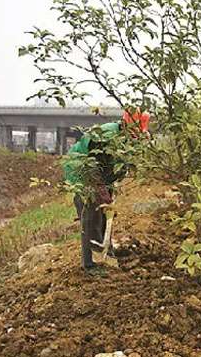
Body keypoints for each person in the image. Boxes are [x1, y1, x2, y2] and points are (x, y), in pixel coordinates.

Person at [63, 110, 150, 275]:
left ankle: (106, 254)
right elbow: (92, 168)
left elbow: (117, 166)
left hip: (103, 176)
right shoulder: (106, 136)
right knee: (92, 215)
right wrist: (104, 197)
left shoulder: (130, 139)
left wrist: (110, 191)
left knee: (104, 215)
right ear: (125, 125)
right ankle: (91, 265)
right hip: (83, 171)